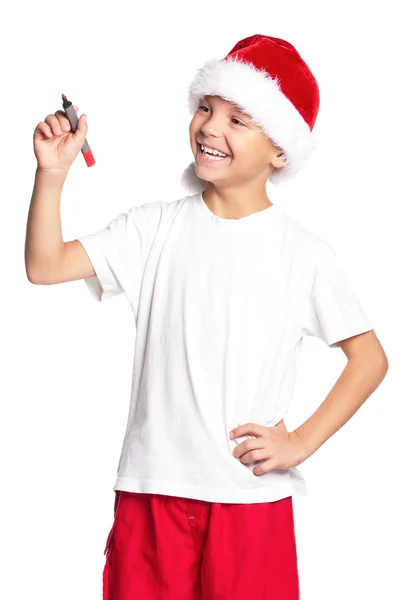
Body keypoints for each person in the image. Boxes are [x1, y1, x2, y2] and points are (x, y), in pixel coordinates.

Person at [26, 34, 388, 600]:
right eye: (205, 108)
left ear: (280, 149)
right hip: (151, 491)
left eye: (238, 119)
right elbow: (45, 265)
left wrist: (299, 442)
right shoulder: (153, 228)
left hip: (249, 501)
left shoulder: (305, 254)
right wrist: (52, 174)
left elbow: (368, 359)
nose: (210, 127)